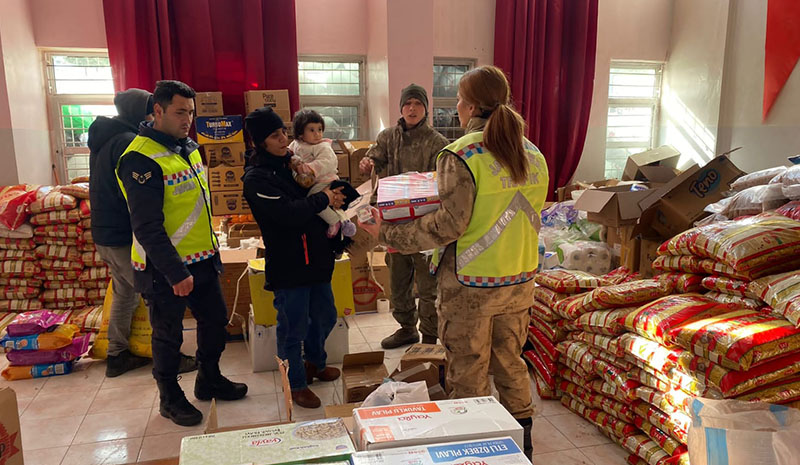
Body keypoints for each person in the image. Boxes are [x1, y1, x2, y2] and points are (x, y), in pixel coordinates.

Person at [359, 66, 549, 460]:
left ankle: (476, 448)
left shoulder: (461, 153)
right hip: (518, 280)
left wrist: (388, 234)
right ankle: (522, 444)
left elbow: (449, 224)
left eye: (459, 100)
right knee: (510, 360)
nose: (457, 107)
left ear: (472, 105)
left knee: (468, 369)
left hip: (471, 287)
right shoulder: (533, 153)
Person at [116, 80, 247, 427]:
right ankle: (170, 398)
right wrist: (175, 272)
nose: (187, 118)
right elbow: (146, 226)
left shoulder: (187, 147)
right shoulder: (139, 159)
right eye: (179, 112)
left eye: (190, 112)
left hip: (202, 258)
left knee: (216, 321)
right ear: (157, 111)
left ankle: (209, 378)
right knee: (168, 335)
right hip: (164, 268)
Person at [88, 88, 198, 378]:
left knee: (125, 294)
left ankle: (117, 354)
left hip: (104, 232)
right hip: (124, 234)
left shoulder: (105, 139)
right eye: (152, 111)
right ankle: (169, 359)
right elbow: (137, 200)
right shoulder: (129, 144)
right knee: (156, 297)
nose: (154, 116)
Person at [242, 107, 346, 409]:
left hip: (316, 257)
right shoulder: (257, 179)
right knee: (292, 328)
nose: (284, 139)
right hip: (289, 264)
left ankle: (315, 362)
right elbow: (288, 214)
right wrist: (323, 199)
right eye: (275, 136)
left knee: (326, 316)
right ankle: (297, 383)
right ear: (260, 142)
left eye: (284, 133)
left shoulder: (293, 163)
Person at [358, 83, 449, 349]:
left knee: (428, 285)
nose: (412, 108)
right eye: (407, 103)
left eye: (418, 104)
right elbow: (374, 159)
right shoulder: (388, 137)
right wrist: (369, 163)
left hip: (425, 226)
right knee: (398, 280)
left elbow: (444, 180)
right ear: (401, 108)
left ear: (426, 109)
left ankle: (430, 336)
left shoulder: (438, 143)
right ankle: (406, 328)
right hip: (394, 224)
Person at [288, 109, 356, 238]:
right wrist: (293, 161)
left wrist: (309, 168)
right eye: (312, 130)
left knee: (315, 198)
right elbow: (289, 153)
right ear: (301, 133)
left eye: (319, 129)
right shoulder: (296, 144)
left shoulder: (323, 146)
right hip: (306, 181)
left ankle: (334, 221)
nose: (317, 134)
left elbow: (328, 162)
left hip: (324, 180)